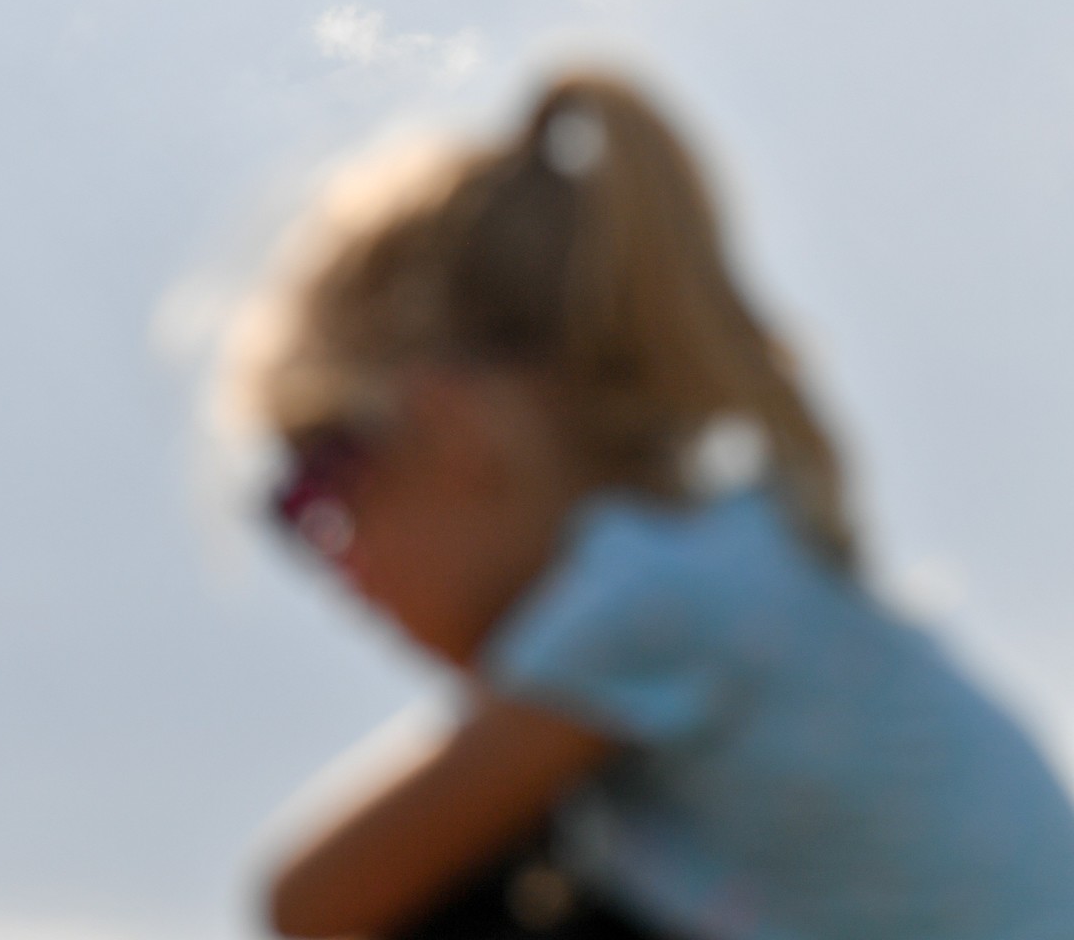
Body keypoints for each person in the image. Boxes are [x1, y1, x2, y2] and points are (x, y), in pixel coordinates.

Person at [224, 71, 1074, 939]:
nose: (332, 560)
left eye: (317, 488)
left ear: (451, 429)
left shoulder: (650, 601)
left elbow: (314, 901)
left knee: (455, 899)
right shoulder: (732, 556)